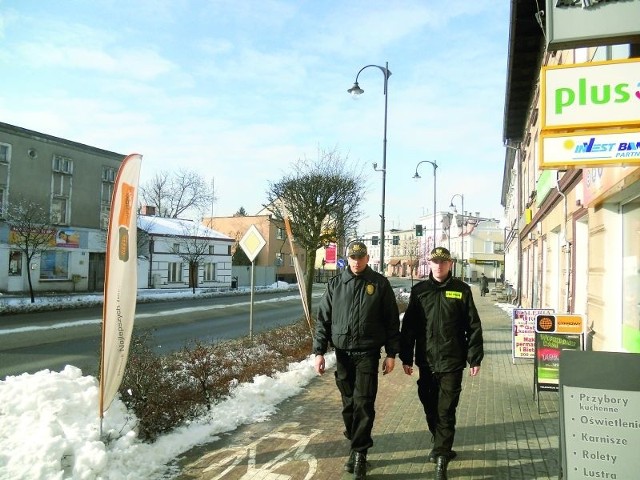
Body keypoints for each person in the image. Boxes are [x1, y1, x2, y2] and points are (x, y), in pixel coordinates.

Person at [314, 241, 400, 480]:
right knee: (349, 405)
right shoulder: (336, 284)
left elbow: (392, 321)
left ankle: (360, 454)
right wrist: (319, 352)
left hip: (367, 354)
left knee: (364, 403)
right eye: (353, 257)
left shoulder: (379, 284)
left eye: (360, 257)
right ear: (347, 258)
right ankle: (355, 444)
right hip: (342, 355)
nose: (356, 261)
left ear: (367, 257)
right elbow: (323, 321)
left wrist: (392, 354)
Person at [400, 246, 484, 480]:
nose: (439, 265)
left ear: (450, 264)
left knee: (446, 410)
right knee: (430, 406)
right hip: (426, 362)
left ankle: (441, 456)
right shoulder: (420, 291)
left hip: (452, 361)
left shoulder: (462, 290)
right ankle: (440, 442)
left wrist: (474, 356)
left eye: (443, 262)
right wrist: (406, 357)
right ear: (429, 263)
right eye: (435, 262)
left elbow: (473, 326)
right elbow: (409, 327)